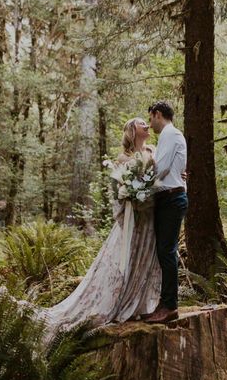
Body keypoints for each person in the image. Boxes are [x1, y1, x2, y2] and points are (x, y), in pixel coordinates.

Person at [42, 117, 161, 338]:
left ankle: (141, 305)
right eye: (140, 122)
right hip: (132, 219)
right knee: (125, 261)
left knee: (144, 259)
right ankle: (122, 302)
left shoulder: (154, 151)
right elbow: (118, 192)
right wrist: (133, 199)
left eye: (147, 122)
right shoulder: (123, 158)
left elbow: (161, 177)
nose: (146, 124)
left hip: (150, 219)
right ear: (132, 131)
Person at [144, 101, 188, 324]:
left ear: (157, 114)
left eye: (151, 118)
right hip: (167, 197)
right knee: (163, 252)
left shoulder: (170, 134)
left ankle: (170, 306)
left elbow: (161, 169)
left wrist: (140, 182)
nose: (150, 124)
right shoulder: (168, 136)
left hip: (171, 198)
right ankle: (164, 302)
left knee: (167, 251)